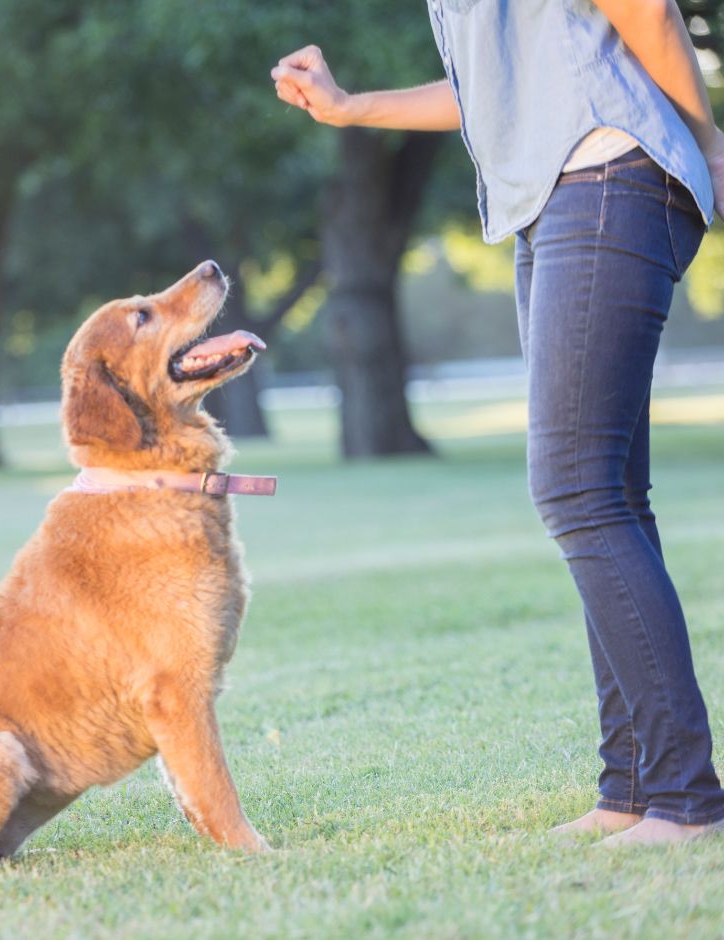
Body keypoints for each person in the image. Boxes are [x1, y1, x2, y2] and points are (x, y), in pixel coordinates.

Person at [271, 0, 724, 846]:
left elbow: (647, 10)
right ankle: (630, 785)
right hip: (557, 196)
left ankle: (686, 798)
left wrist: (709, 141)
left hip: (610, 172)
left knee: (576, 489)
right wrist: (351, 105)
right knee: (610, 494)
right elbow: (494, 87)